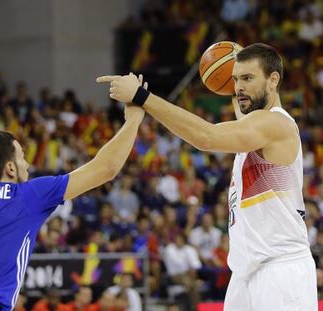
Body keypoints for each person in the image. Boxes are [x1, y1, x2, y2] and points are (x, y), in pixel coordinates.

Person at [97, 43, 318, 310]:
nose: (238, 87)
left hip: (280, 270)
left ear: (274, 80)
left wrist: (143, 96)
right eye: (235, 79)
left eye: (247, 78)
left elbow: (206, 137)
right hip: (246, 272)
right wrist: (233, 67)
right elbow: (238, 110)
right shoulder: (252, 126)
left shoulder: (274, 124)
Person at [0, 78, 146, 310]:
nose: (27, 165)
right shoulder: (25, 194)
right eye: (22, 158)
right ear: (10, 168)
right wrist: (134, 118)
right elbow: (106, 168)